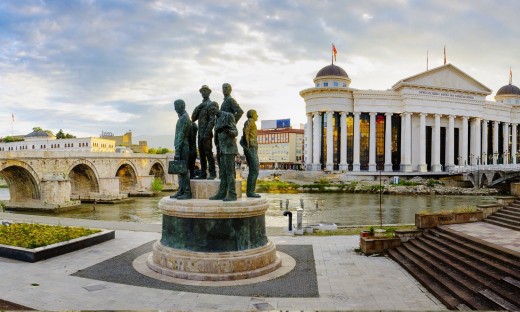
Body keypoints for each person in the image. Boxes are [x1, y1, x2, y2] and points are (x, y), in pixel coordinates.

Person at [209, 107, 239, 201]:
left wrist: (227, 130)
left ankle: (232, 194)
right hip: (222, 150)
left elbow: (235, 132)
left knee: (229, 173)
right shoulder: (216, 119)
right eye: (211, 111)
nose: (212, 112)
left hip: (229, 149)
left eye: (213, 109)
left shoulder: (228, 115)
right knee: (222, 173)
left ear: (217, 107)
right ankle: (222, 194)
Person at [191, 85, 218, 180]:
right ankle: (203, 173)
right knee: (201, 154)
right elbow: (193, 118)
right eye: (202, 91)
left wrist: (206, 133)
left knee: (208, 153)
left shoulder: (211, 104)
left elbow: (212, 120)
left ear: (209, 92)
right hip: (200, 133)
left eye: (205, 91)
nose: (204, 93)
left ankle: (213, 173)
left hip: (206, 134)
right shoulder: (201, 106)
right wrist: (199, 107)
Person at [217, 83, 244, 171]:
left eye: (226, 88)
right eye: (223, 88)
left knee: (229, 169)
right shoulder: (224, 101)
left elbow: (239, 111)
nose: (224, 89)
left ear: (230, 90)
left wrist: (232, 123)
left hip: (228, 133)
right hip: (223, 135)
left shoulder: (230, 100)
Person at [170, 99, 192, 200]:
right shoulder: (185, 117)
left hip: (183, 147)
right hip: (184, 146)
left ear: (181, 106)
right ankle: (181, 190)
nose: (174, 108)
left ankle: (187, 192)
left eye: (176, 106)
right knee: (181, 170)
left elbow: (180, 135)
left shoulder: (183, 118)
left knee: (183, 170)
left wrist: (177, 151)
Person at [240, 109, 260, 198]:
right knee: (254, 169)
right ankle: (250, 191)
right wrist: (247, 146)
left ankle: (250, 191)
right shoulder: (250, 121)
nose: (257, 116)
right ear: (252, 115)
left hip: (252, 147)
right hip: (251, 148)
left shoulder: (252, 122)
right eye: (256, 114)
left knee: (254, 169)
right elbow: (245, 132)